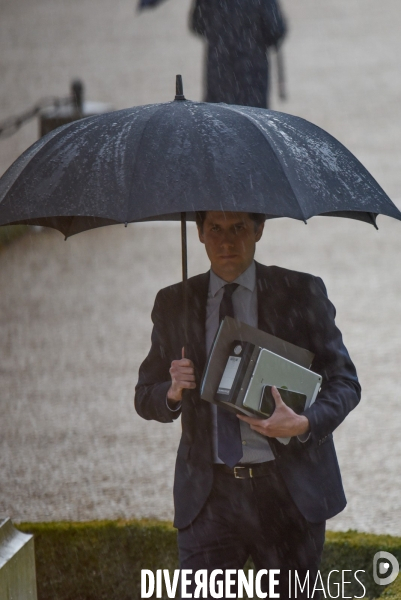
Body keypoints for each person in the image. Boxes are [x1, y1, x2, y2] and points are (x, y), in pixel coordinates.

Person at [135, 211, 361, 598]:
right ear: (200, 234)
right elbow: (145, 396)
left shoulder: (301, 292)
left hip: (287, 494)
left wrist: (303, 423)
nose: (227, 241)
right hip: (209, 498)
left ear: (259, 229)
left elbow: (345, 382)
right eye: (216, 229)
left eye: (239, 228)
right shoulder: (174, 303)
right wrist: (171, 391)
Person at [190, 0, 287, 108]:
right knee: (253, 116)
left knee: (218, 116)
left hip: (219, 67)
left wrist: (220, 35)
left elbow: (197, 24)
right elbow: (275, 29)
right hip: (253, 70)